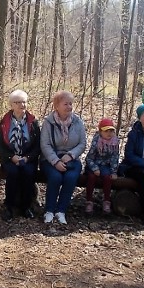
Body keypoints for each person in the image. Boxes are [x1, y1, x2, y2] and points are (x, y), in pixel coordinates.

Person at [39, 91, 87, 225]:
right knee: (55, 177)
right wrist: (55, 161)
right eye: (65, 104)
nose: (69, 107)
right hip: (50, 159)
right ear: (57, 106)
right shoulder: (49, 123)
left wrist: (71, 155)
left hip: (72, 159)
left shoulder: (78, 122)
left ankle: (61, 211)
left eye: (70, 104)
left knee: (71, 178)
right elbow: (45, 144)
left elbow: (82, 143)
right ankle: (49, 211)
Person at [0, 90, 40, 221]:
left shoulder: (33, 122)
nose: (22, 105)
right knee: (13, 173)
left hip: (28, 158)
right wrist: (11, 157)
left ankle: (26, 207)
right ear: (11, 105)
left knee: (28, 172)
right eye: (18, 102)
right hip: (9, 158)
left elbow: (38, 146)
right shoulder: (5, 122)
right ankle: (9, 207)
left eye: (24, 102)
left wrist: (28, 158)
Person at [84, 118, 120, 215]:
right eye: (106, 131)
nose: (109, 133)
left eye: (111, 131)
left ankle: (106, 201)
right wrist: (94, 168)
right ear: (100, 131)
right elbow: (89, 158)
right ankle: (89, 201)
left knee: (107, 178)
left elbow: (115, 158)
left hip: (106, 166)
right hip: (94, 164)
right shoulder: (96, 141)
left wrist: (114, 171)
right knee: (91, 177)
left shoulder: (115, 142)